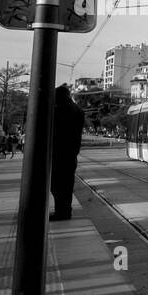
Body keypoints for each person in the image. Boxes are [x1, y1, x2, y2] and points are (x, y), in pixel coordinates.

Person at [50, 85, 86, 221]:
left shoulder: (62, 109)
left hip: (60, 152)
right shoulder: (78, 109)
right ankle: (65, 210)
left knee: (58, 185)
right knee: (66, 184)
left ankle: (62, 212)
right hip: (71, 152)